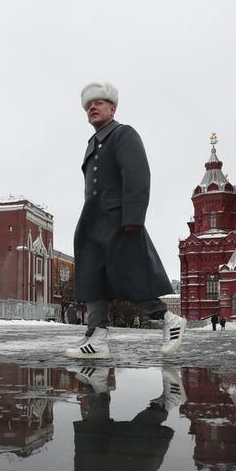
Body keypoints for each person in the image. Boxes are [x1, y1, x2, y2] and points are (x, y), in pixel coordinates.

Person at [65, 82, 187, 359]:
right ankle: (96, 337)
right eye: (88, 105)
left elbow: (138, 175)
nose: (92, 107)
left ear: (113, 108)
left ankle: (169, 320)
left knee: (127, 275)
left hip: (118, 219)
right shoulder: (93, 143)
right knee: (92, 277)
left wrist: (133, 217)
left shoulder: (123, 134)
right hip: (93, 221)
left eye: (99, 102)